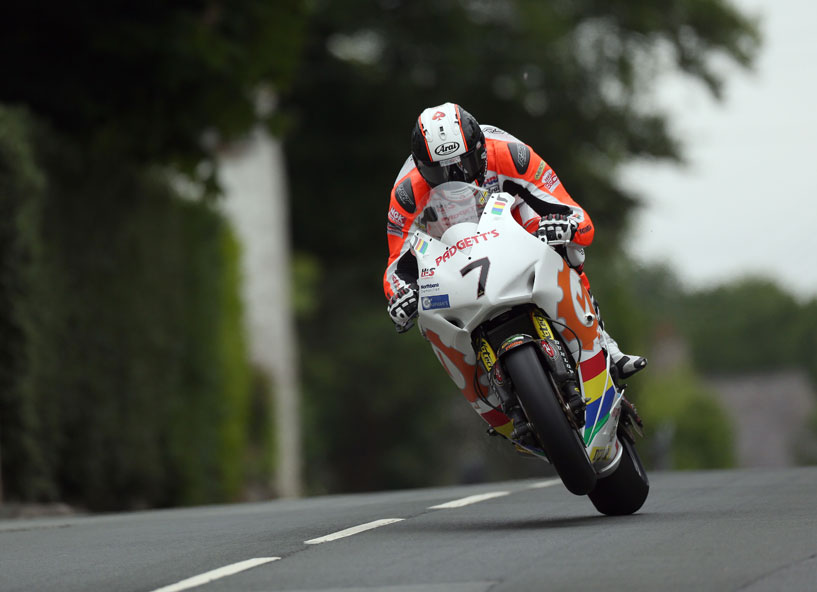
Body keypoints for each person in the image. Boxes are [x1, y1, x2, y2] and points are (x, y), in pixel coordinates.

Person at [384, 102, 646, 379]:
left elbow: (573, 212)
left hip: (511, 218)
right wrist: (401, 295)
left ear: (482, 151)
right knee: (427, 314)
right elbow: (395, 265)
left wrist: (567, 226)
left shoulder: (511, 154)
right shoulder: (406, 194)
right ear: (422, 168)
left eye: (465, 164)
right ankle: (481, 391)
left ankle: (604, 346)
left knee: (567, 247)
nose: (456, 177)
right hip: (450, 251)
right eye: (440, 173)